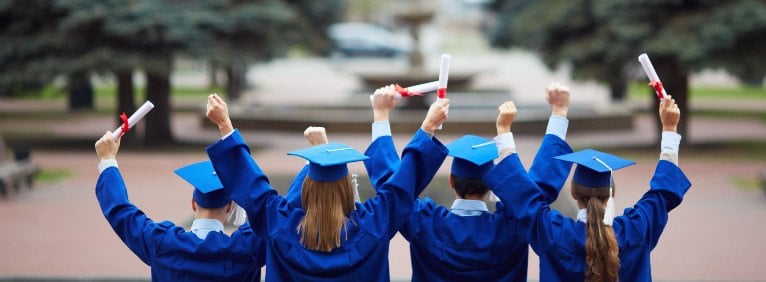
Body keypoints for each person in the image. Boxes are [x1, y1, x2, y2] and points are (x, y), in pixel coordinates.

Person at [204, 92, 449, 282]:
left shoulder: (280, 224)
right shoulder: (374, 223)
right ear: (346, 189)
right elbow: (400, 187)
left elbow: (252, 187)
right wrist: (426, 128)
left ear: (306, 189)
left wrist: (225, 126)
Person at [363, 82, 575, 281]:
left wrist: (382, 115)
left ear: (451, 180)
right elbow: (534, 194)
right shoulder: (514, 225)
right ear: (493, 183)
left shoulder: (424, 222)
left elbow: (392, 192)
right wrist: (558, 112)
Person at [485, 95, 692, 282]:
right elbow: (664, 192)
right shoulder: (635, 230)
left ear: (574, 193)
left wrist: (504, 131)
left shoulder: (553, 233)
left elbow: (523, 197)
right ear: (612, 192)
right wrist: (670, 128)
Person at [94, 132, 264, 281]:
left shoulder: (162, 243)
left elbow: (120, 211)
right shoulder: (248, 248)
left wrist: (108, 161)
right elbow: (277, 215)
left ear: (193, 203)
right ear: (229, 207)